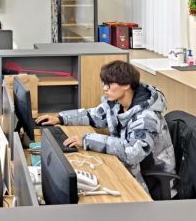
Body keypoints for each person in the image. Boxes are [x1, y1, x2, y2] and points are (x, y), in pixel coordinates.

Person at [36, 60, 175, 196]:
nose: (104, 88)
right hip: (125, 168)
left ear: (126, 85)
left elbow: (132, 153)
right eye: (104, 83)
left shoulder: (146, 117)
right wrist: (60, 118)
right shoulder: (116, 103)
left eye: (110, 84)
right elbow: (94, 115)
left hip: (148, 182)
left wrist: (88, 140)